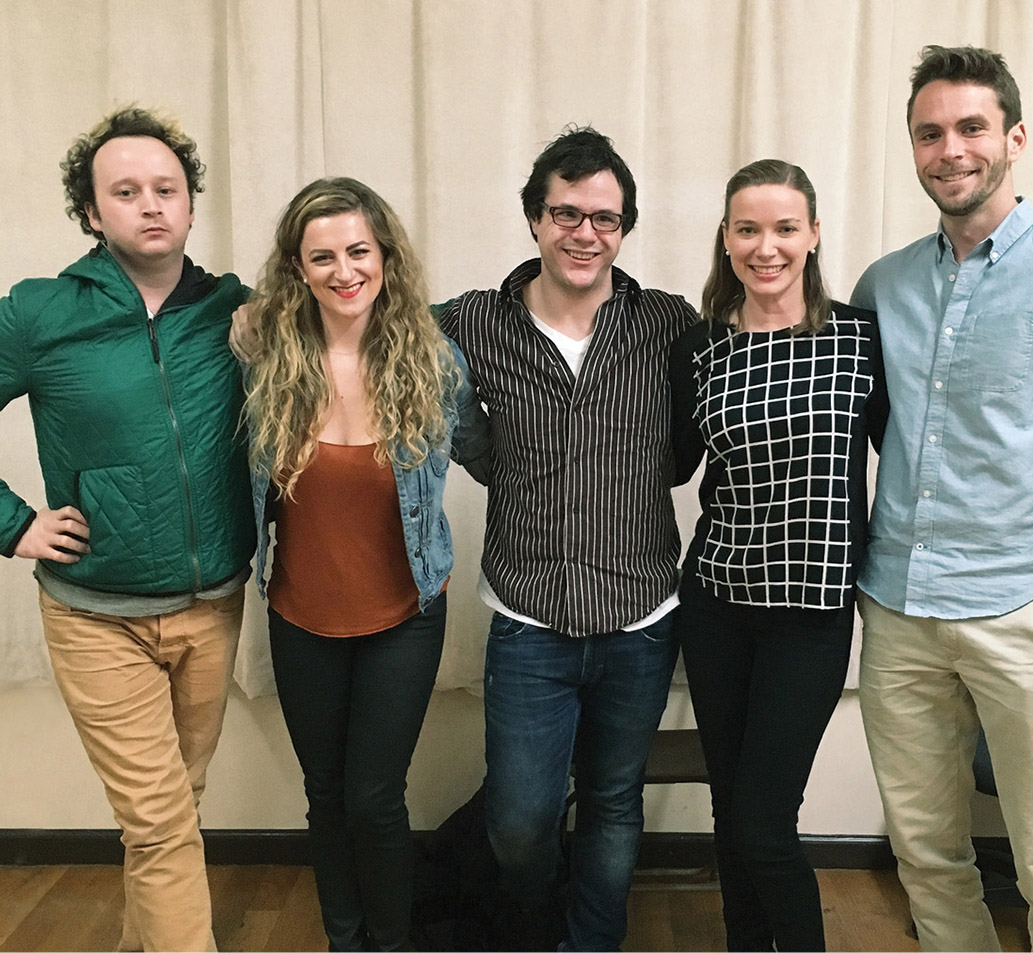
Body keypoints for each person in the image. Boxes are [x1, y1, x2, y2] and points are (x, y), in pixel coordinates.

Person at [850, 45, 1033, 952]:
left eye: (969, 128)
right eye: (929, 133)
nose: (949, 149)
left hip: (1020, 613)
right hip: (899, 614)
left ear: (1014, 138)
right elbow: (875, 430)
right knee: (928, 857)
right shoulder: (884, 285)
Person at [436, 126, 697, 951]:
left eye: (606, 219)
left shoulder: (669, 324)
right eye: (567, 213)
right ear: (534, 219)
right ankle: (535, 925)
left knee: (614, 801)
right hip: (528, 621)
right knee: (521, 821)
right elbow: (371, 325)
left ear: (625, 228)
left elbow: (688, 446)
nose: (587, 233)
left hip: (640, 616)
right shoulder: (471, 321)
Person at [0, 107, 253, 951]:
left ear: (189, 204)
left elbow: (362, 317)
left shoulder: (233, 311)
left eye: (166, 189)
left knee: (176, 807)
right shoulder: (40, 314)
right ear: (91, 212)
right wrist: (14, 524)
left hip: (212, 605)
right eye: (126, 191)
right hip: (93, 615)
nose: (151, 205)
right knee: (160, 824)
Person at [239, 177, 489, 953]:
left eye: (358, 251)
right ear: (297, 268)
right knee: (325, 795)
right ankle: (343, 939)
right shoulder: (264, 356)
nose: (344, 270)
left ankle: (390, 943)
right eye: (323, 256)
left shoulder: (433, 360)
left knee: (375, 798)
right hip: (299, 609)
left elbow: (496, 459)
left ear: (385, 257)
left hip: (403, 613)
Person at [669, 159, 888, 951]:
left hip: (812, 615)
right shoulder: (700, 349)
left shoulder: (860, 337)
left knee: (763, 823)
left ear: (814, 235)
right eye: (748, 229)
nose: (767, 247)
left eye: (785, 228)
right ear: (726, 240)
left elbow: (906, 457)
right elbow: (668, 465)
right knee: (733, 812)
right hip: (718, 603)